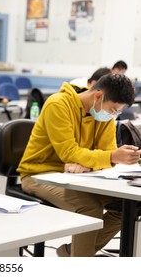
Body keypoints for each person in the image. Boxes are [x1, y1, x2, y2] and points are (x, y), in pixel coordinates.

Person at [17, 73, 138, 257]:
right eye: (113, 110)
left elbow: (107, 153)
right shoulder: (58, 104)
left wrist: (92, 163)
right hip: (39, 174)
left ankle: (71, 254)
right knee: (89, 208)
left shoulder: (103, 116)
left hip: (78, 176)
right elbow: (69, 152)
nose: (113, 115)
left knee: (127, 206)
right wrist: (110, 157)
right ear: (98, 95)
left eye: (117, 112)